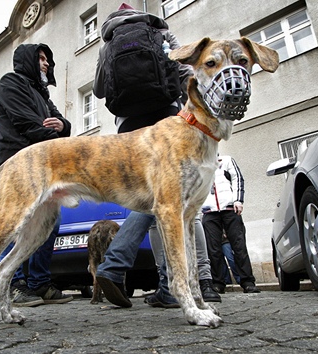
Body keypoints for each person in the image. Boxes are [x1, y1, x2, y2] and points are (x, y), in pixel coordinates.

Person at [92, 3, 217, 308]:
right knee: (181, 204)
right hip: (167, 120)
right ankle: (198, 281)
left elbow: (97, 90)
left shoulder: (108, 42)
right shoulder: (159, 29)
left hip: (129, 129)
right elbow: (185, 69)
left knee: (154, 201)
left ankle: (121, 267)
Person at [0, 42, 72, 306]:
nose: (47, 63)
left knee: (49, 223)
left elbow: (62, 123)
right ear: (28, 60)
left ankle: (40, 283)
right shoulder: (10, 83)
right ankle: (14, 286)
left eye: (48, 59)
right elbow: (26, 123)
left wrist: (62, 125)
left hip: (47, 164)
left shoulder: (44, 94)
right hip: (20, 162)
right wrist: (54, 133)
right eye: (41, 58)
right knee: (17, 224)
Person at [202, 155, 260, 294]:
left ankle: (247, 281)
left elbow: (237, 178)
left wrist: (238, 200)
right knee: (213, 249)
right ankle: (218, 283)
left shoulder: (226, 160)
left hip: (229, 208)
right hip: (209, 212)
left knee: (238, 245)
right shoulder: (198, 163)